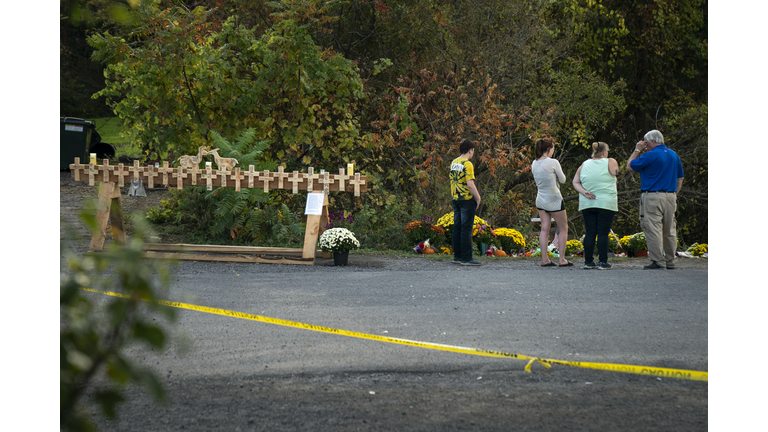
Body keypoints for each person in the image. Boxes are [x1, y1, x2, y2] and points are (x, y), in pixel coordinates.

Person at [627, 130, 684, 269]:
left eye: (646, 142)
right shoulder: (673, 154)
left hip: (652, 196)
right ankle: (671, 261)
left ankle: (657, 260)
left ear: (652, 141)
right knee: (669, 229)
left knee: (653, 228)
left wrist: (637, 149)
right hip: (670, 196)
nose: (644, 145)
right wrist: (674, 194)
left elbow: (630, 166)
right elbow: (680, 177)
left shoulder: (650, 155)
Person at [572, 142, 619, 270]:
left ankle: (588, 261)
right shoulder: (611, 161)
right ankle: (603, 262)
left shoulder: (584, 164)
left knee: (590, 232)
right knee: (603, 233)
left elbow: (575, 182)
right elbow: (615, 173)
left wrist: (583, 191)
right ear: (604, 152)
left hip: (587, 203)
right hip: (605, 202)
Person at [532, 138, 572, 266]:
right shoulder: (553, 162)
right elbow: (563, 179)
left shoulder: (534, 163)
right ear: (549, 149)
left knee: (544, 229)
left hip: (541, 199)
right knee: (563, 228)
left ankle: (544, 259)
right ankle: (562, 259)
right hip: (554, 199)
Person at [450, 139, 483, 266]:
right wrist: (478, 198)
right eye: (473, 150)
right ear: (470, 150)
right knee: (466, 229)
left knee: (457, 228)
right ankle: (467, 258)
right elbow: (470, 184)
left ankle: (457, 256)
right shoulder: (467, 164)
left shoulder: (453, 162)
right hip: (466, 199)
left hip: (455, 198)